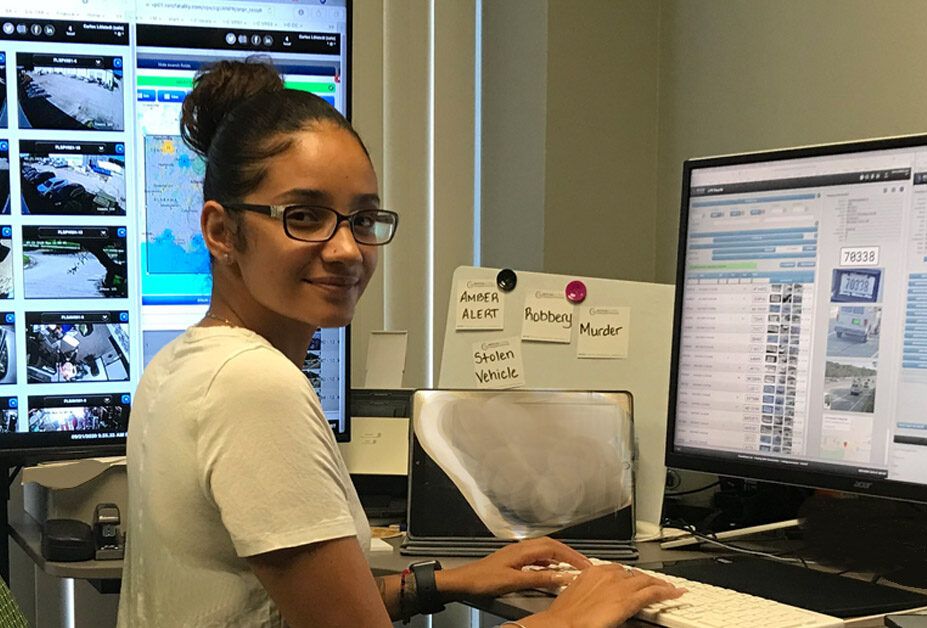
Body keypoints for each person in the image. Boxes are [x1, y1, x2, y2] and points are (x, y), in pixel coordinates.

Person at [116, 59, 683, 628]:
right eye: (305, 217)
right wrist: (576, 617)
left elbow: (280, 607)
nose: (345, 250)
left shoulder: (179, 366)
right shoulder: (253, 385)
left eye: (363, 220)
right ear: (221, 231)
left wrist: (442, 581)